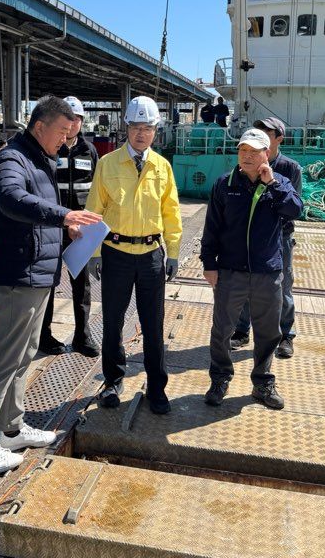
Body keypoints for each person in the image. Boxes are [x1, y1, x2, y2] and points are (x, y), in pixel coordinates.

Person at [0, 96, 101, 474]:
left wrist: (66, 227)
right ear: (40, 126)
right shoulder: (13, 157)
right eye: (61, 130)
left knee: (25, 355)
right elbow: (10, 199)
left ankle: (10, 427)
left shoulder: (40, 157)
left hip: (39, 271)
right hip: (20, 273)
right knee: (6, 357)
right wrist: (64, 214)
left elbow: (37, 208)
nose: (67, 137)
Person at [86, 95, 182, 415]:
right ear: (125, 127)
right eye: (136, 127)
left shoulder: (162, 167)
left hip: (152, 256)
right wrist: (94, 252)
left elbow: (171, 213)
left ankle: (157, 388)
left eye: (148, 128)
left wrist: (174, 253)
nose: (141, 134)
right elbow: (94, 211)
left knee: (153, 325)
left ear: (156, 131)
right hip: (116, 254)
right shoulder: (108, 164)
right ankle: (113, 381)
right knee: (112, 322)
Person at [200, 128, 302, 410]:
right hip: (230, 271)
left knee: (268, 331)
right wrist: (209, 264)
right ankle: (220, 378)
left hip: (267, 273)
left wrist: (273, 185)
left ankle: (262, 382)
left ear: (265, 154)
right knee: (222, 330)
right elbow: (212, 228)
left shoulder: (280, 182)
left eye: (253, 152)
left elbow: (295, 210)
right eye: (242, 151)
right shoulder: (224, 184)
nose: (246, 156)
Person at [231, 117, 302, 358]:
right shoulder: (243, 168)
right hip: (249, 237)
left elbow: (294, 206)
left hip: (279, 237)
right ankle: (241, 331)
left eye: (267, 132)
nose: (260, 134)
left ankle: (285, 335)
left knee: (283, 286)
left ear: (278, 138)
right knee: (245, 282)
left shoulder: (290, 168)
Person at [38, 95, 100, 358]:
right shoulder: (50, 149)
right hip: (55, 228)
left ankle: (82, 336)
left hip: (82, 232)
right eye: (69, 119)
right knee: (49, 283)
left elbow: (97, 189)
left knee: (81, 285)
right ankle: (45, 336)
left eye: (78, 119)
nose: (73, 124)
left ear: (82, 122)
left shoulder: (90, 151)